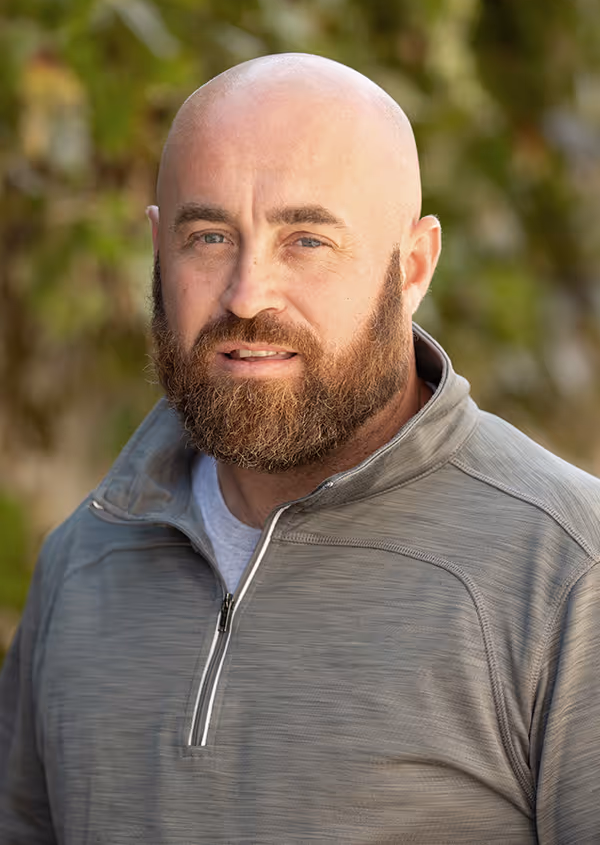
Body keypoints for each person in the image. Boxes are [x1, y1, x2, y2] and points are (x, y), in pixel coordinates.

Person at [1, 53, 599, 845]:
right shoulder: (84, 561)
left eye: (307, 240)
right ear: (157, 250)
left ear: (413, 265)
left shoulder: (568, 576)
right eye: (209, 236)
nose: (248, 294)